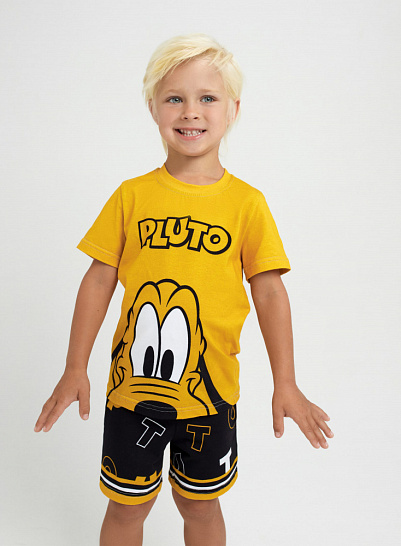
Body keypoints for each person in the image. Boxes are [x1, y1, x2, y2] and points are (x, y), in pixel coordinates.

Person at [34, 33, 334, 546]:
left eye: (207, 98)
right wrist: (74, 366)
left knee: (200, 504)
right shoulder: (131, 196)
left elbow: (269, 293)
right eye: (174, 98)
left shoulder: (247, 204)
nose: (191, 111)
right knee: (127, 507)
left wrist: (285, 381)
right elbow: (99, 279)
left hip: (210, 397)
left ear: (233, 109)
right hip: (133, 395)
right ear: (153, 108)